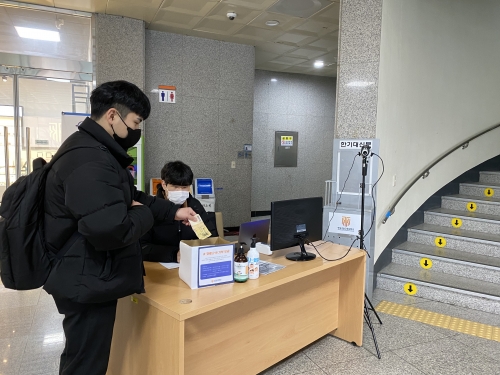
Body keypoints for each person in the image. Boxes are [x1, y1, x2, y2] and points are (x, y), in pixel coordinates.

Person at [42, 80, 197, 375]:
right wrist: (144, 217)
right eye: (136, 122)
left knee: (90, 355)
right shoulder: (89, 159)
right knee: (86, 362)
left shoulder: (99, 152)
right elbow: (110, 228)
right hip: (85, 278)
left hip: (90, 272)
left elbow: (133, 198)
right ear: (113, 115)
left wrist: (174, 212)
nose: (137, 131)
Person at [141, 161, 218, 263]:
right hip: (160, 266)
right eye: (175, 187)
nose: (180, 191)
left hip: (191, 263)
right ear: (164, 184)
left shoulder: (194, 205)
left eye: (184, 187)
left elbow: (212, 238)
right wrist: (174, 254)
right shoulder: (152, 209)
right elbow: (142, 247)